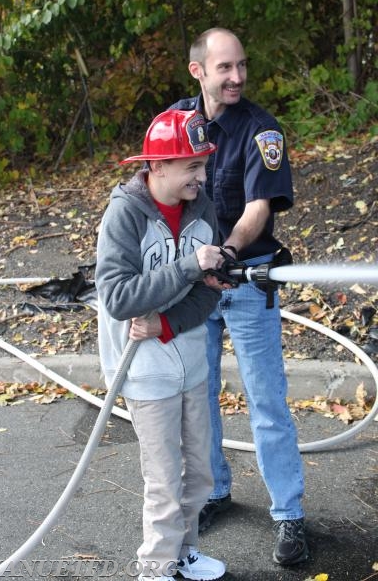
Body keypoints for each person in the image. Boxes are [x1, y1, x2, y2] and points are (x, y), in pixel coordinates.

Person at [170, 28, 309, 566]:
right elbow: (158, 190)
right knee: (197, 401)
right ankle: (214, 492)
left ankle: (289, 516)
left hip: (247, 280)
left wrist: (225, 253)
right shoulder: (177, 125)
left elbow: (258, 210)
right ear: (198, 71)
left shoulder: (261, 130)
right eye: (225, 68)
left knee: (267, 402)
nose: (237, 77)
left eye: (242, 66)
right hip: (192, 287)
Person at [96, 109, 227, 581]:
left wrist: (167, 324)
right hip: (144, 372)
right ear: (158, 167)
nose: (201, 175)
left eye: (204, 164)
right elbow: (118, 297)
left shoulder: (203, 208)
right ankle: (155, 569)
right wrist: (189, 266)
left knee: (199, 476)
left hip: (189, 360)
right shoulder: (125, 214)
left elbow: (207, 294)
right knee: (165, 482)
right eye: (192, 166)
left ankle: (184, 553)